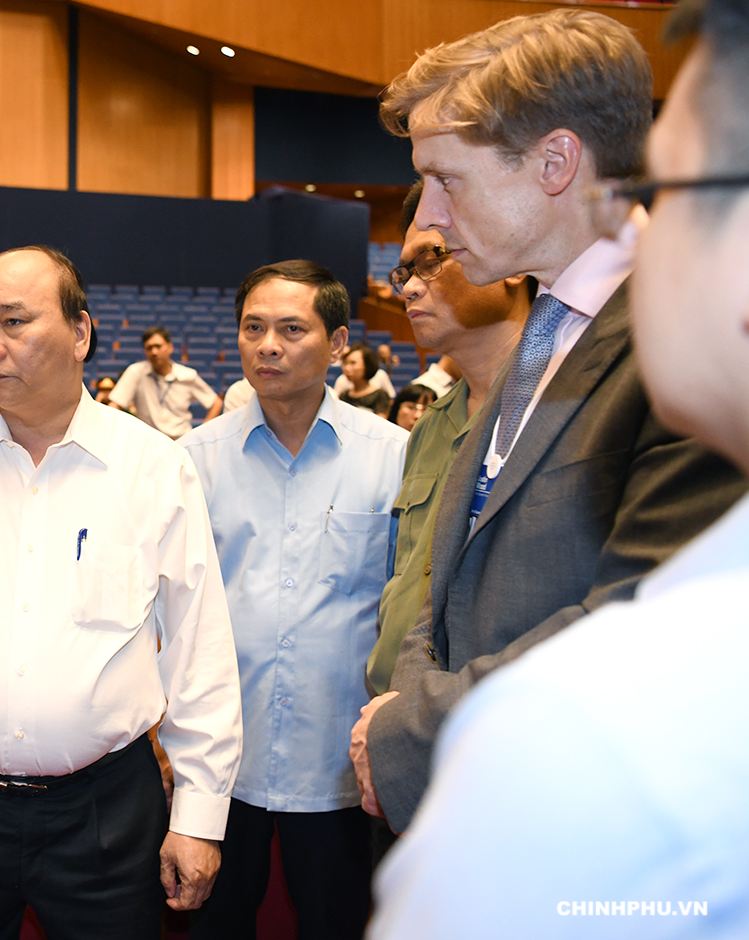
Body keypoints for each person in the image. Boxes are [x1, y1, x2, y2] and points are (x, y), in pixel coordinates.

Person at [371, 2, 749, 933]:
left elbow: (638, 610)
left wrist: (405, 731)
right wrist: (412, 700)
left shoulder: (682, 351)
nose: (428, 219)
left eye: (445, 180)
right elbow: (443, 575)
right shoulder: (536, 330)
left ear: (555, 163)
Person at [0, 245, 243, 939]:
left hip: (107, 815)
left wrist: (201, 819)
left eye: (13, 322)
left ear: (80, 333)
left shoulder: (153, 470)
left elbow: (197, 650)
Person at [182, 261, 408, 940]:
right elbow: (172, 613)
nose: (268, 345)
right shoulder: (195, 457)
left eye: (290, 328)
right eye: (253, 328)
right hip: (222, 759)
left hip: (340, 756)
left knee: (335, 923)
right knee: (218, 924)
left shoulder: (391, 455)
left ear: (338, 342)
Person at [365, 180, 530, 699]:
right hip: (397, 709)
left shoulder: (556, 412)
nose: (409, 287)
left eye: (431, 260)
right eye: (405, 272)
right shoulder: (431, 425)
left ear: (511, 263)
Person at [108, 326, 223, 438]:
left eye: (158, 346)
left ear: (170, 347)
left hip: (181, 440)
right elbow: (115, 406)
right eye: (149, 348)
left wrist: (200, 434)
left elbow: (216, 403)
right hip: (149, 442)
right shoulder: (136, 372)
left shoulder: (187, 375)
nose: (154, 352)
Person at [337, 344, 391, 415]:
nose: (347, 368)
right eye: (345, 363)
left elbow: (380, 422)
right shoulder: (343, 396)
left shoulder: (380, 396)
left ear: (367, 365)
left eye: (353, 363)